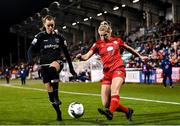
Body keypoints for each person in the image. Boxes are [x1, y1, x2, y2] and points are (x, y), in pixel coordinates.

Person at [76, 21, 147, 121]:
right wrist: (81, 57)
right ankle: (127, 111)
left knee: (115, 91)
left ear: (110, 32)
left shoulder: (117, 41)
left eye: (105, 35)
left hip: (118, 69)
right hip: (107, 74)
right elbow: (86, 56)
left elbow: (129, 48)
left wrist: (140, 56)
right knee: (106, 103)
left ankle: (110, 113)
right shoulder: (97, 44)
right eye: (101, 35)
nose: (103, 37)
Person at [27, 15, 77, 121]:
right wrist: (30, 60)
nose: (50, 27)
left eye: (52, 25)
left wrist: (72, 69)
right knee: (50, 95)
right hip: (43, 66)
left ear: (54, 24)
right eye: (48, 25)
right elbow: (30, 49)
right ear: (44, 25)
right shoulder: (40, 36)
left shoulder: (59, 37)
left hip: (57, 62)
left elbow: (67, 54)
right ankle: (58, 111)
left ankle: (57, 97)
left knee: (53, 68)